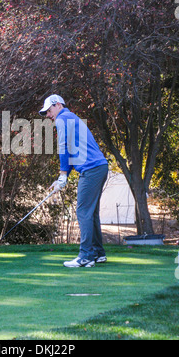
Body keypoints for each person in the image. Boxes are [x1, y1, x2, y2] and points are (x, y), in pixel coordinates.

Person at [39, 94, 108, 268]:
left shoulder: (62, 119)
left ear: (58, 105)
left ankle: (86, 256)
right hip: (98, 167)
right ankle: (98, 253)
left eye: (48, 110)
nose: (48, 115)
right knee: (91, 213)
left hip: (91, 169)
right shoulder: (71, 117)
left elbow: (63, 148)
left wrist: (63, 175)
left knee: (83, 211)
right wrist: (63, 176)